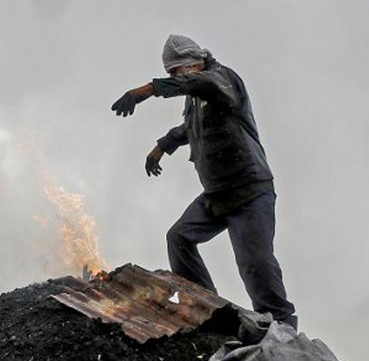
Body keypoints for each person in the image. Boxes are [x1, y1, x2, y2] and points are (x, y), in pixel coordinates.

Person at [111, 34, 297, 329]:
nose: (177, 77)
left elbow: (202, 84)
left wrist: (146, 90)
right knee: (179, 238)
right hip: (216, 195)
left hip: (249, 191)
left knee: (255, 263)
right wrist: (161, 147)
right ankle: (208, 307)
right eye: (172, 74)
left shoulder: (222, 80)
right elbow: (190, 127)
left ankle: (282, 327)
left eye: (177, 71)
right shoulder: (196, 98)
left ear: (193, 63)